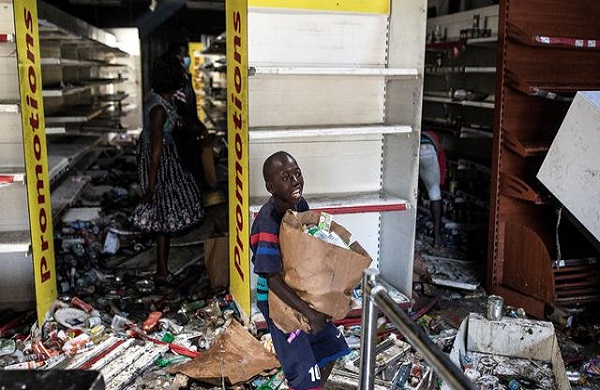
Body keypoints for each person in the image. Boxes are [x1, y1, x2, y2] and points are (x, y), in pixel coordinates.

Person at [250, 151, 350, 390]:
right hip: (277, 302)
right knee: (302, 367)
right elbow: (271, 277)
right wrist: (310, 312)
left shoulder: (299, 205)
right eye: (286, 177)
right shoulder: (267, 222)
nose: (295, 180)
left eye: (297, 173)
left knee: (332, 347)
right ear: (270, 186)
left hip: (298, 290)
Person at [132, 53, 205, 284]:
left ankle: (162, 270)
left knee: (165, 216)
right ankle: (161, 271)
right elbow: (155, 152)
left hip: (165, 158)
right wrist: (151, 188)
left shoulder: (163, 100)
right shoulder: (158, 110)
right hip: (161, 164)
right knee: (167, 210)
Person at [167, 41, 214, 189]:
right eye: (183, 54)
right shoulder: (175, 82)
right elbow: (179, 112)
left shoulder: (185, 78)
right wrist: (193, 127)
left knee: (194, 175)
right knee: (189, 175)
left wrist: (199, 125)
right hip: (183, 138)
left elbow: (190, 108)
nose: (186, 57)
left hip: (189, 136)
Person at [419, 130, 446, 250]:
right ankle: (437, 238)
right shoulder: (437, 144)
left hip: (413, 146)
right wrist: (439, 185)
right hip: (428, 152)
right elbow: (441, 167)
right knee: (435, 193)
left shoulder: (421, 132)